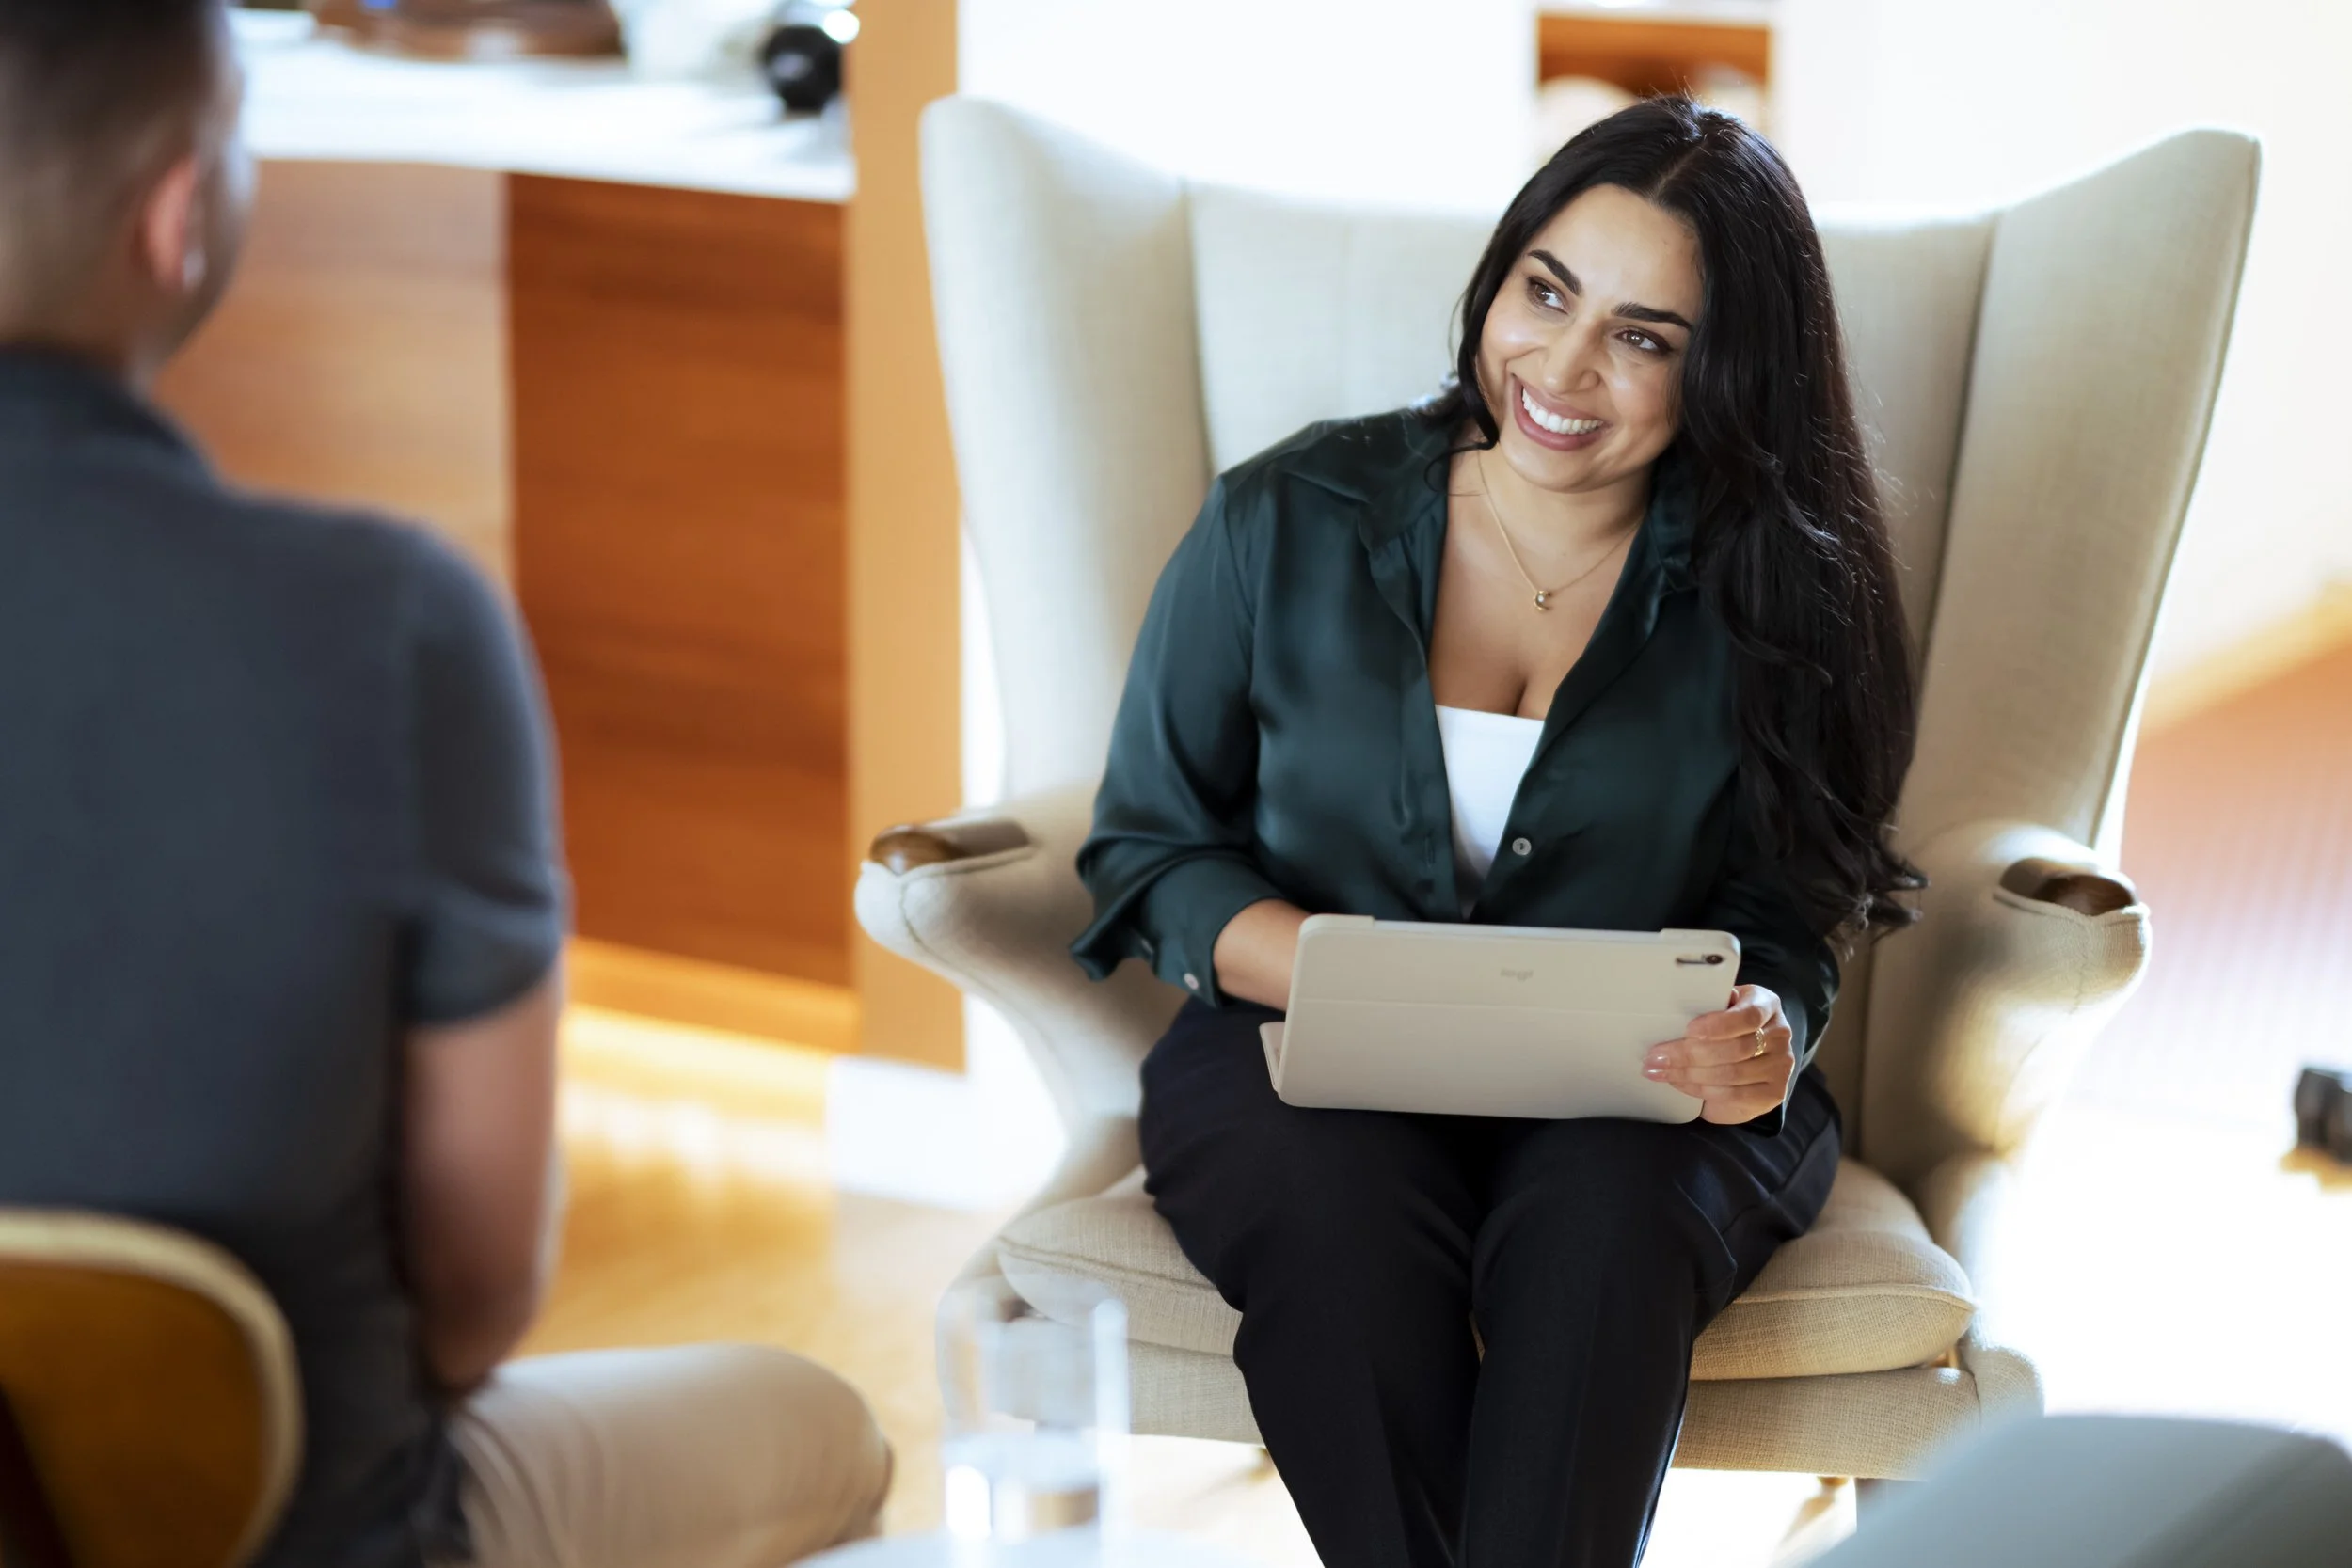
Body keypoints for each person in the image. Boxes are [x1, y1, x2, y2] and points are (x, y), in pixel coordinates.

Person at [0, 4, 889, 1565]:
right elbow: (473, 1304)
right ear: (175, 213)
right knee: (820, 1425)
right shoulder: (390, 622)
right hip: (302, 1521)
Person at [1074, 98, 1921, 1568]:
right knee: (1326, 1226)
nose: (1565, 368)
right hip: (1296, 1048)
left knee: (1605, 1232)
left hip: (1630, 1089)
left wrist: (1769, 1019)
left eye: (1645, 337)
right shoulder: (1284, 518)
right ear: (1501, 276)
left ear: (1724, 372)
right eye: (1548, 290)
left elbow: (1799, 899)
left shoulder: (1785, 595)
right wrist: (1331, 964)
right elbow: (1150, 845)